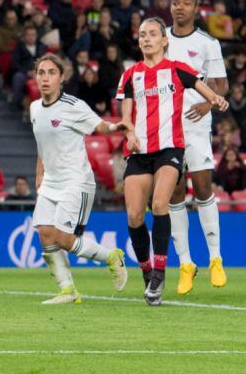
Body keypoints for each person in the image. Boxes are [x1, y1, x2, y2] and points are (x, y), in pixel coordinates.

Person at [116, 18, 228, 306]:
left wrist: (217, 100)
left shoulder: (177, 69)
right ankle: (146, 271)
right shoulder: (130, 75)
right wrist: (129, 133)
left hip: (170, 149)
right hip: (140, 153)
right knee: (134, 217)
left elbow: (206, 90)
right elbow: (126, 117)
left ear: (164, 40)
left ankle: (160, 274)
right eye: (142, 35)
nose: (147, 39)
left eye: (153, 34)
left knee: (160, 205)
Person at [30, 54, 129, 305]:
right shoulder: (34, 108)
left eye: (51, 72)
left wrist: (120, 126)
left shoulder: (73, 106)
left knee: (63, 239)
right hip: (51, 182)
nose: (45, 78)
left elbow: (100, 126)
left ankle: (111, 257)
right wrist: (39, 173)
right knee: (44, 233)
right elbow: (43, 144)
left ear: (62, 78)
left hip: (76, 181)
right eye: (41, 72)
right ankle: (68, 290)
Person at [165, 0, 230, 294]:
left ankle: (215, 258)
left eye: (186, 3)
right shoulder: (159, 38)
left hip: (196, 124)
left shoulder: (207, 43)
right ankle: (186, 264)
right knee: (174, 193)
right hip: (165, 126)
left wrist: (208, 103)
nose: (179, 7)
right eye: (176, 2)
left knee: (203, 187)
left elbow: (221, 84)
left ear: (195, 9)